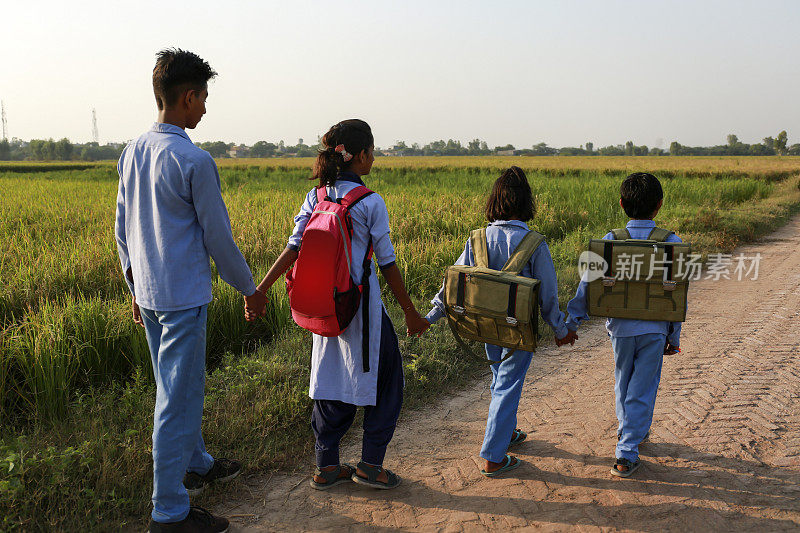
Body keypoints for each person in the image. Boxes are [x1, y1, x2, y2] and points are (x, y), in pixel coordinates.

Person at [115, 48, 266, 533]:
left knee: (176, 389)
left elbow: (123, 230)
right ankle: (169, 510)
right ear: (185, 97)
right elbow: (217, 237)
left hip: (152, 295)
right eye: (202, 98)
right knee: (175, 400)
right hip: (181, 299)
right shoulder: (193, 160)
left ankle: (196, 461)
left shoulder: (133, 151)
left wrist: (133, 287)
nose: (204, 108)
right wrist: (250, 288)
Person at [248, 119, 429, 490]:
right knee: (386, 380)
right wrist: (411, 313)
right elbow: (388, 263)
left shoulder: (316, 197)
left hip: (324, 307)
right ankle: (370, 466)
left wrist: (261, 289)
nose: (373, 159)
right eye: (372, 152)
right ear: (361, 156)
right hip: (361, 309)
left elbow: (293, 247)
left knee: (330, 378)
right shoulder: (370, 201)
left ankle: (327, 466)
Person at [424, 166, 571, 477]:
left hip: (484, 324)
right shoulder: (534, 243)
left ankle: (507, 432)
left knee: (499, 378)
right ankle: (493, 455)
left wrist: (432, 315)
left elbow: (455, 283)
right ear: (527, 202)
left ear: (495, 201)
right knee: (508, 384)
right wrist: (560, 329)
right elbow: (548, 297)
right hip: (517, 328)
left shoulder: (478, 237)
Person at [564, 172, 682, 477]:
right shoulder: (671, 242)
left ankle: (627, 431)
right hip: (655, 330)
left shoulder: (609, 242)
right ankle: (626, 452)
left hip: (619, 328)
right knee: (642, 388)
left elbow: (587, 284)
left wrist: (573, 321)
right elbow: (678, 293)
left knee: (623, 381)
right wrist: (674, 333)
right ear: (658, 206)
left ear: (621, 204)